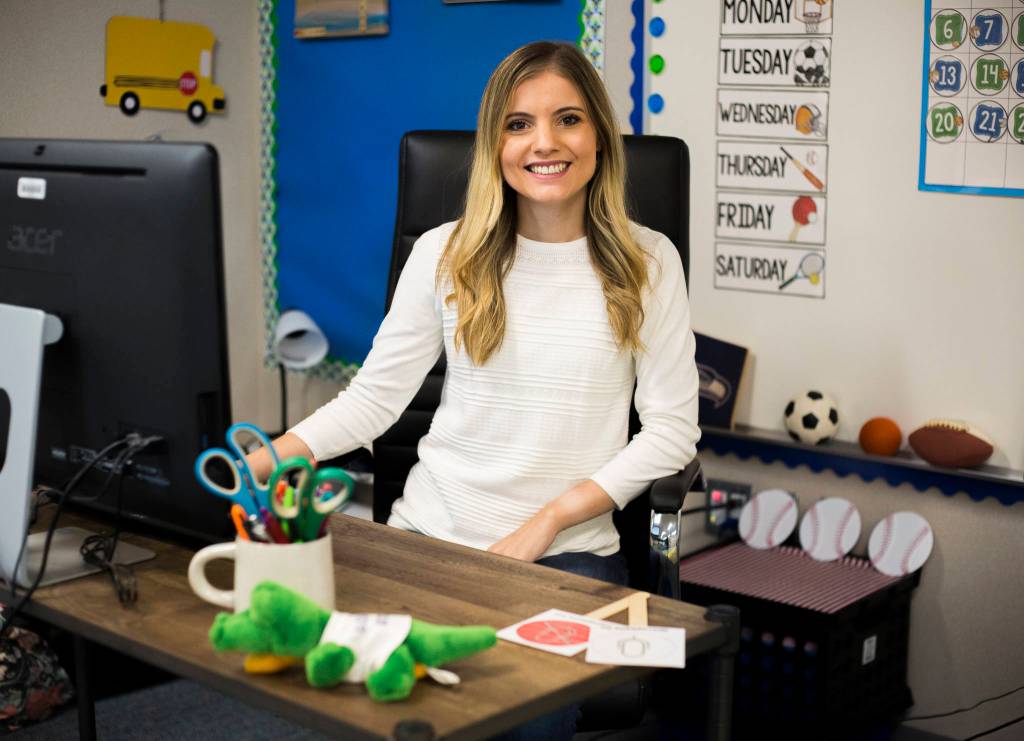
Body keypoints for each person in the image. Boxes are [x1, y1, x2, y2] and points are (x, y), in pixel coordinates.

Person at [250, 39, 699, 737]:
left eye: (568, 119)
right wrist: (266, 457)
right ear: (495, 143)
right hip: (428, 539)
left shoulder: (650, 261)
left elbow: (672, 432)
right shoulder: (444, 252)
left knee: (522, 716)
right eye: (519, 124)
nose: (544, 143)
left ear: (599, 135)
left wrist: (547, 520)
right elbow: (375, 399)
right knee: (356, 688)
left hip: (568, 557)